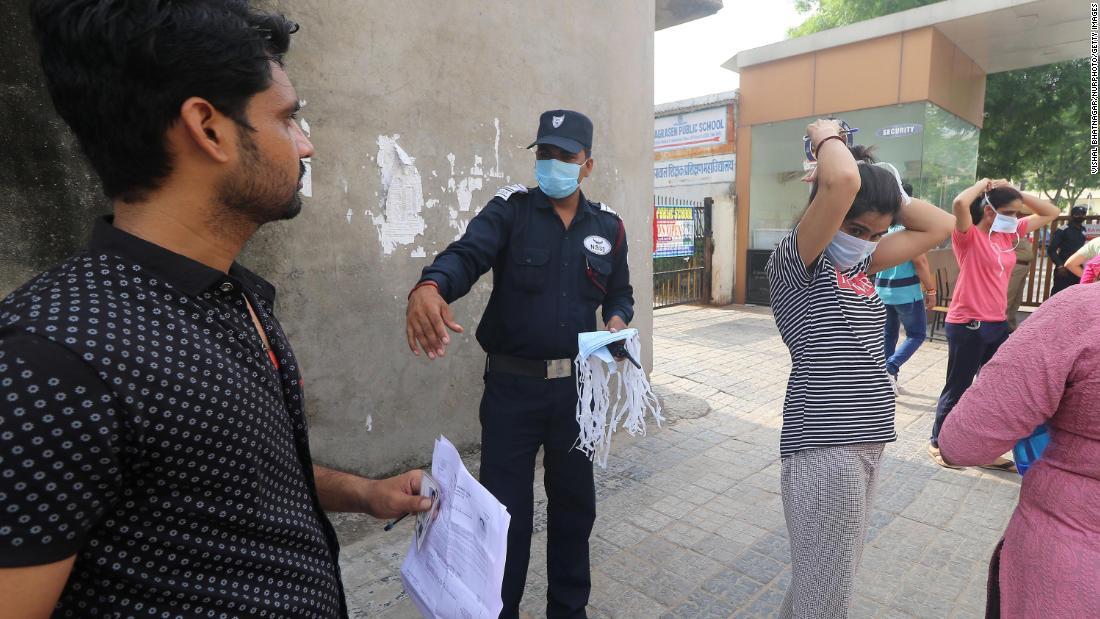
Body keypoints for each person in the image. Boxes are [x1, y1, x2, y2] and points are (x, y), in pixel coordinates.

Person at [0, 4, 431, 617]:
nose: (305, 144)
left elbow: (238, 477)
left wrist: (364, 493)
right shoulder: (50, 361)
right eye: (288, 119)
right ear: (208, 127)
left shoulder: (236, 295)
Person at [405, 110, 633, 618]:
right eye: (544, 154)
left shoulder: (609, 227)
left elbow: (620, 293)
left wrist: (617, 322)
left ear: (587, 165)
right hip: (512, 389)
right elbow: (467, 255)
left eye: (564, 156)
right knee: (505, 516)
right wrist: (431, 284)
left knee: (575, 510)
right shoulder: (510, 211)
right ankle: (497, 610)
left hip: (576, 391)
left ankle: (568, 611)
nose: (552, 164)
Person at [767, 119, 954, 618]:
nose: (865, 240)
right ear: (825, 214)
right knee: (826, 597)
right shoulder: (795, 264)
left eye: (875, 232)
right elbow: (844, 183)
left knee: (823, 584)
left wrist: (884, 182)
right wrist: (824, 135)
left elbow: (940, 226)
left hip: (866, 440)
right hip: (825, 444)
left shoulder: (859, 266)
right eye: (854, 229)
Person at [938, 284, 1100, 617]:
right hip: (968, 322)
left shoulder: (1081, 311)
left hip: (1066, 565)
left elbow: (963, 442)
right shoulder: (972, 238)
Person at [927, 180, 1059, 469]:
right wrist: (982, 186)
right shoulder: (969, 236)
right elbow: (961, 204)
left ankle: (978, 447)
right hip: (968, 324)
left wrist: (1015, 192)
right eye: (1009, 212)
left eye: (1016, 213)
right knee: (958, 385)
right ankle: (938, 442)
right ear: (989, 211)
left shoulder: (1007, 237)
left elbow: (1051, 211)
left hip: (997, 323)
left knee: (998, 386)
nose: (1016, 218)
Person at [874, 182, 936, 392]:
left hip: (882, 292)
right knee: (917, 334)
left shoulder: (884, 230)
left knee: (888, 334)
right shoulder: (910, 232)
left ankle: (886, 380)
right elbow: (921, 262)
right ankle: (890, 368)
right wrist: (931, 290)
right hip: (907, 294)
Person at [1046, 204, 1088, 295]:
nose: (1080, 216)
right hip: (1064, 267)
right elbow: (1051, 250)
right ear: (1072, 215)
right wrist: (1060, 266)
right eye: (1077, 214)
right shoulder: (1063, 230)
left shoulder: (1083, 230)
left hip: (1078, 267)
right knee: (1059, 293)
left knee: (1076, 294)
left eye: (1083, 214)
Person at [1005, 236, 1035, 331]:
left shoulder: (1017, 231)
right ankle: (1002, 325)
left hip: (1023, 266)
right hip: (1015, 266)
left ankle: (1010, 325)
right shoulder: (1005, 230)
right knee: (1008, 298)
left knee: (1017, 299)